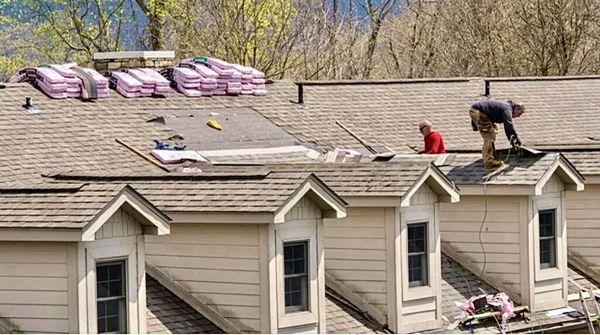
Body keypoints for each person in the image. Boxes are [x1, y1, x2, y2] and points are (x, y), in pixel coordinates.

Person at [469, 99, 525, 169]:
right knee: (488, 136)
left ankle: (491, 154)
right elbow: (508, 126)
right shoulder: (507, 109)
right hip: (479, 112)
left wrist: (513, 140)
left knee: (493, 132)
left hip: (479, 112)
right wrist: (515, 138)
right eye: (519, 113)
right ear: (516, 109)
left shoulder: (506, 107)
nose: (518, 116)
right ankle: (489, 161)